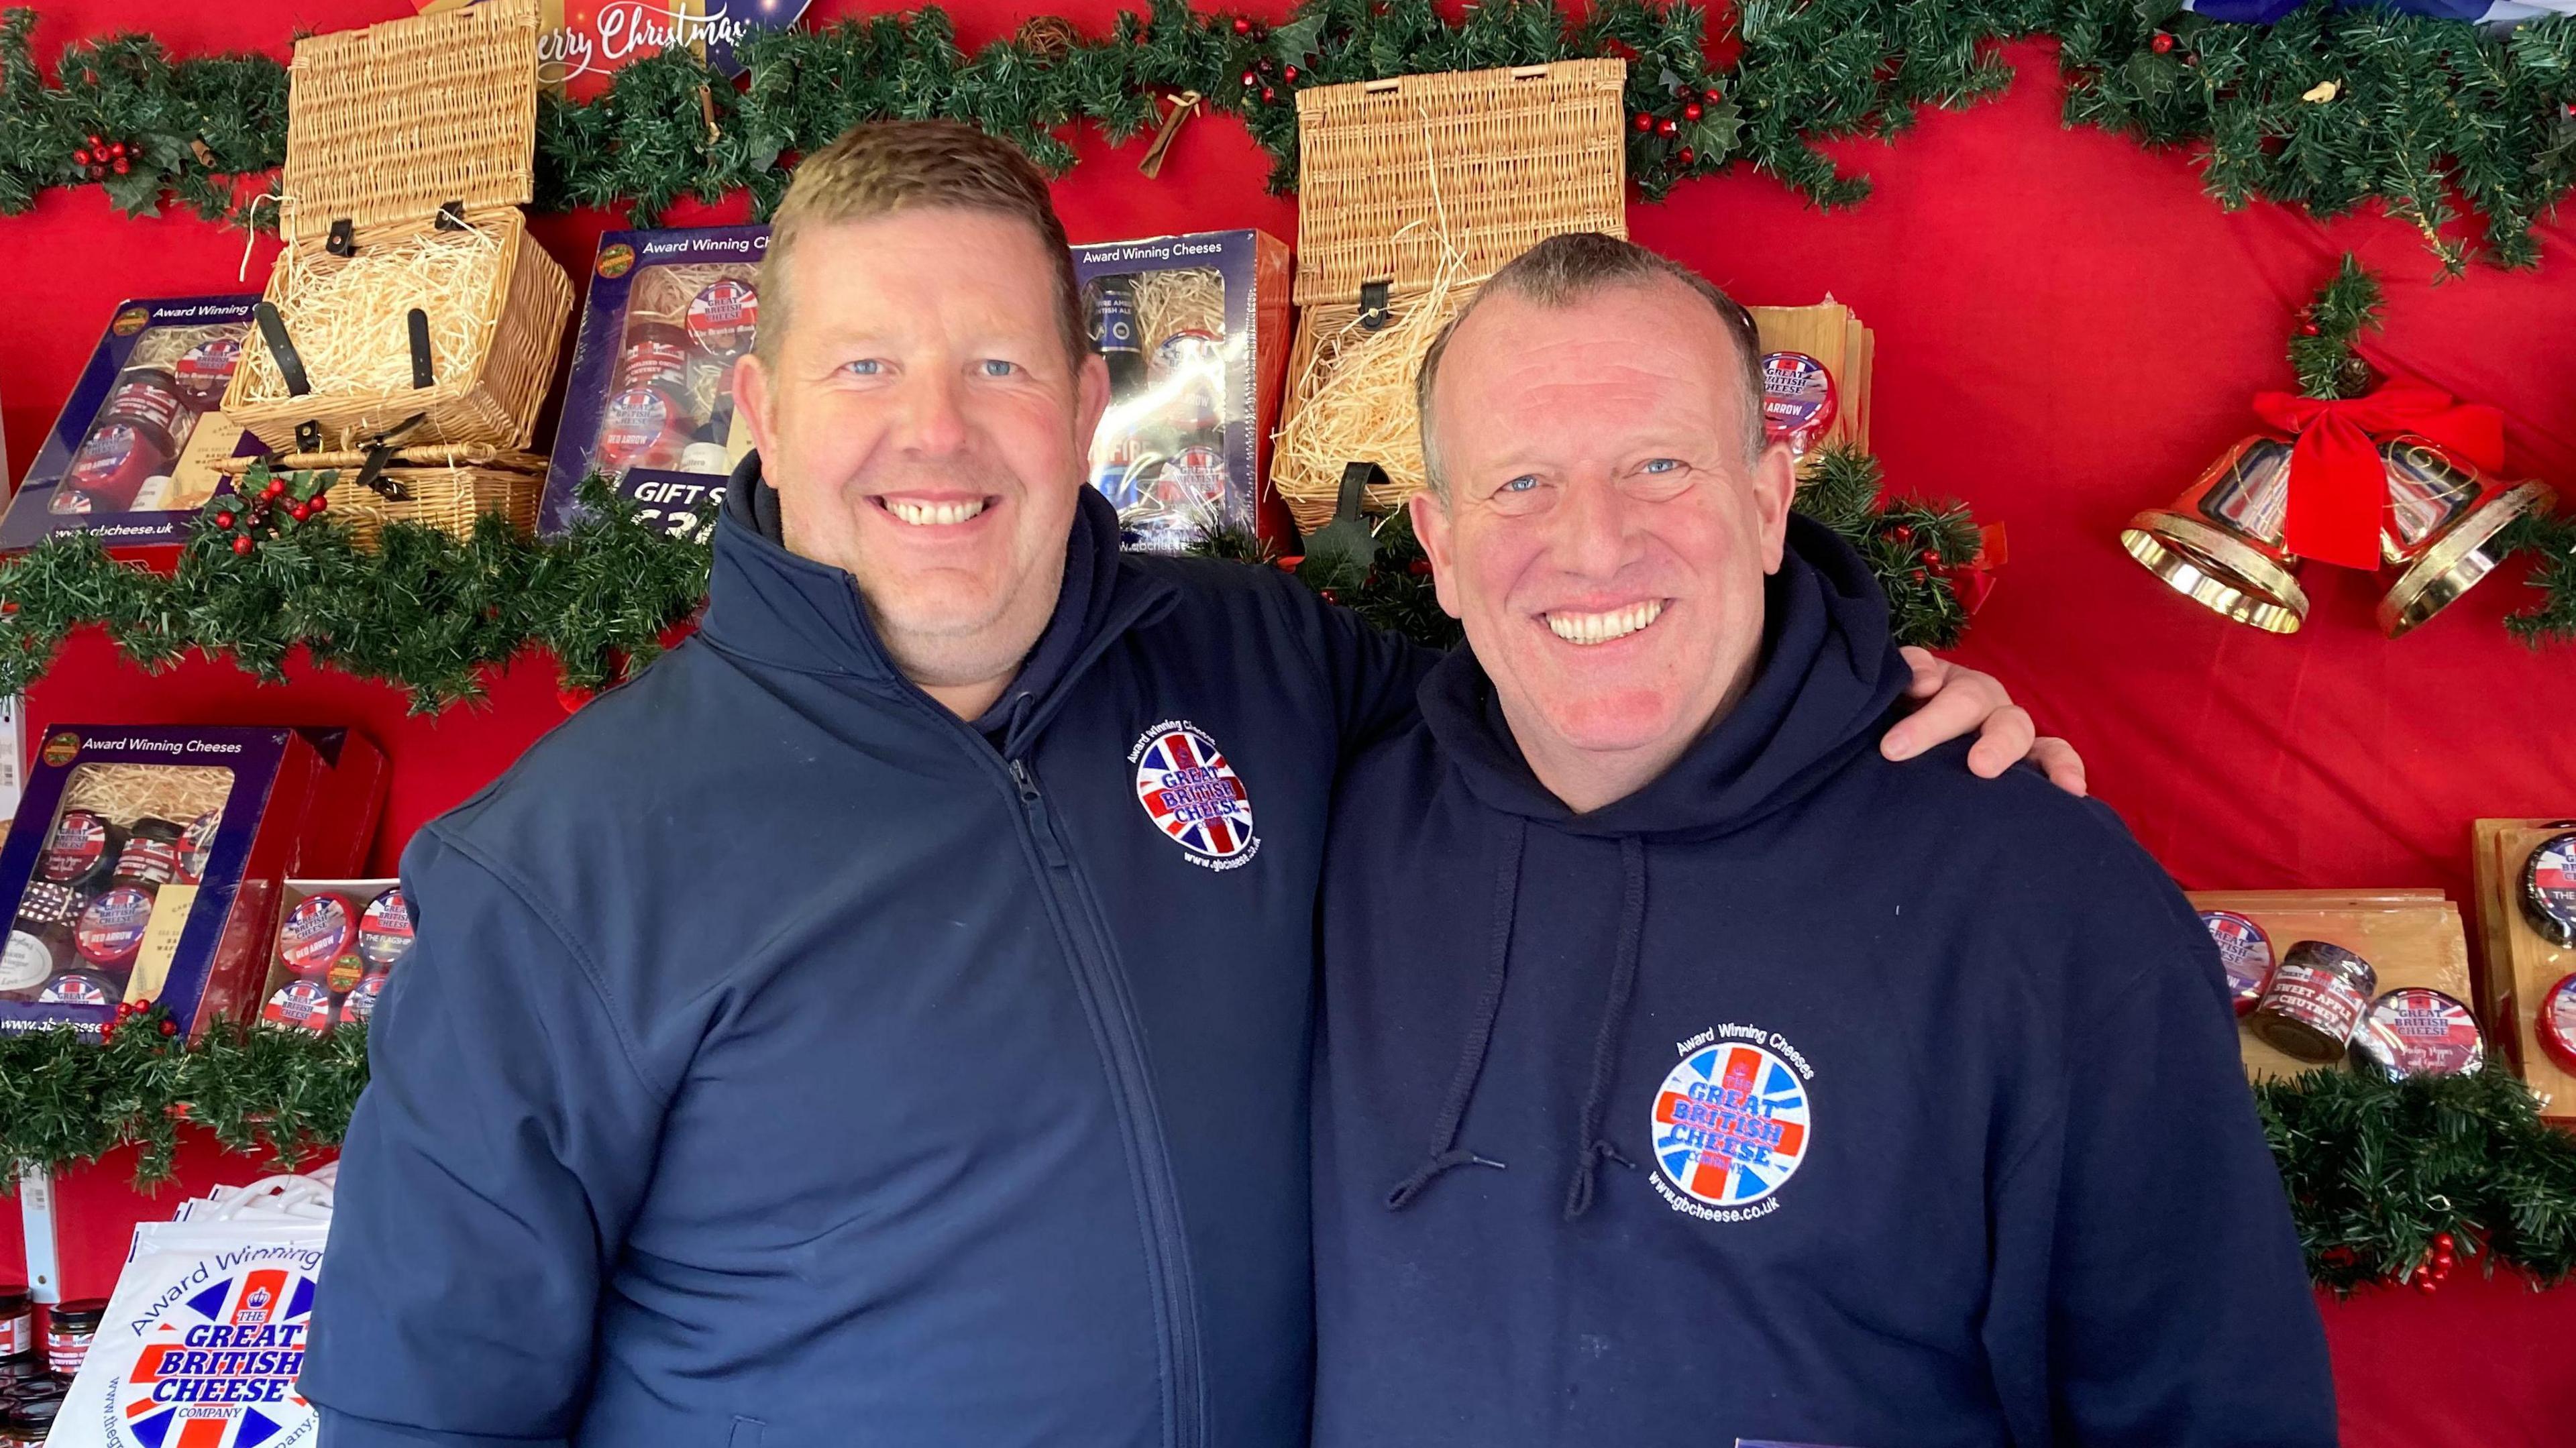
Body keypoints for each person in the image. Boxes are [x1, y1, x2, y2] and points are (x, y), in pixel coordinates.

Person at [301, 125, 2063, 1447]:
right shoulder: (559, 873)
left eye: (995, 365)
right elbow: (420, 1409)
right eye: (864, 370)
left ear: (1083, 402)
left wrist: (1866, 731)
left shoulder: (1269, 666)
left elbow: (1590, 686)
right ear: (758, 409)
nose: (936, 434)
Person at [1310, 232, 2333, 1447]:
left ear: (1766, 504)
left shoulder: (2042, 897)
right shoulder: (1338, 831)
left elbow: (2210, 1409)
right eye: (1521, 483)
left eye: (1659, 465)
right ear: (1438, 549)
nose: (1592, 543)